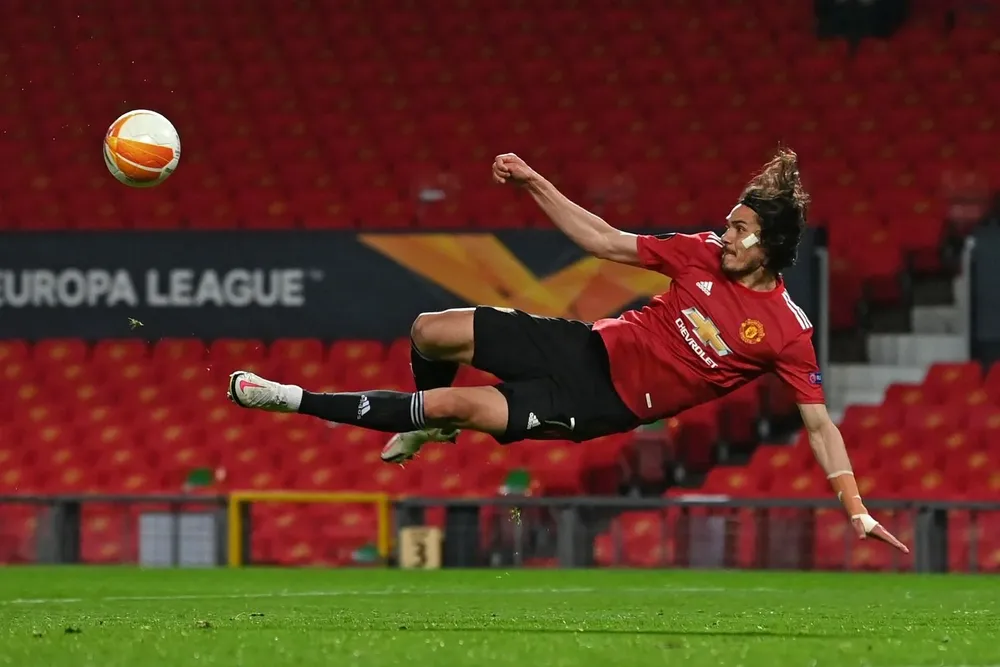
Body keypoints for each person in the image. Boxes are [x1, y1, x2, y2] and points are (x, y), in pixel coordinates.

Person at [227, 149, 908, 553]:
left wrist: (854, 506)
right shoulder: (699, 252)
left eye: (741, 229)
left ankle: (289, 399)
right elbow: (604, 240)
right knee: (430, 329)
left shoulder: (786, 330)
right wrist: (534, 182)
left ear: (772, 245)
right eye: (729, 224)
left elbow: (819, 424)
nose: (725, 235)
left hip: (596, 402)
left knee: (456, 403)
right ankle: (430, 422)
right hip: (581, 346)